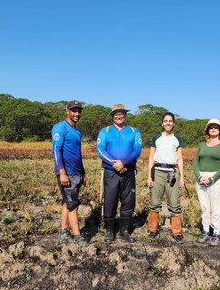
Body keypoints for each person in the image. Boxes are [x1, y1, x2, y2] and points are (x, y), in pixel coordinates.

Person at [97, 104, 142, 243]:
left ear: (125, 115)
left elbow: (137, 150)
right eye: (116, 113)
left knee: (128, 202)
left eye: (121, 113)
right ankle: (110, 231)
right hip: (111, 172)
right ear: (112, 116)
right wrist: (114, 163)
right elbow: (100, 149)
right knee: (110, 201)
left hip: (128, 172)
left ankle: (124, 230)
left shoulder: (134, 131)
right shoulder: (105, 131)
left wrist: (124, 162)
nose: (119, 115)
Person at [52, 100, 88, 245]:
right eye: (74, 111)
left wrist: (83, 173)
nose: (77, 114)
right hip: (66, 172)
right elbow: (56, 150)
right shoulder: (60, 128)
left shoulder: (77, 132)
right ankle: (77, 237)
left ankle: (63, 232)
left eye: (79, 111)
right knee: (73, 205)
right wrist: (62, 172)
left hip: (77, 172)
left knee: (68, 203)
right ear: (67, 111)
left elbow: (78, 154)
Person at [147, 112, 185, 243]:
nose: (168, 123)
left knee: (174, 203)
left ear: (173, 123)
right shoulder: (156, 138)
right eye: (165, 121)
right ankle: (153, 229)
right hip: (157, 172)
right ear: (162, 123)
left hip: (173, 172)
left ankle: (177, 232)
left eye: (170, 121)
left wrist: (181, 177)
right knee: (155, 203)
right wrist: (149, 177)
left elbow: (180, 158)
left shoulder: (177, 139)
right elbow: (151, 158)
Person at [194, 119, 220, 246]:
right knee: (204, 207)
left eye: (216, 127)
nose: (213, 129)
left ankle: (216, 232)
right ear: (207, 130)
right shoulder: (201, 145)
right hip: (201, 179)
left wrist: (212, 179)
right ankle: (205, 231)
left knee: (216, 207)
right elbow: (195, 163)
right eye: (211, 127)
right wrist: (199, 177)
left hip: (217, 179)